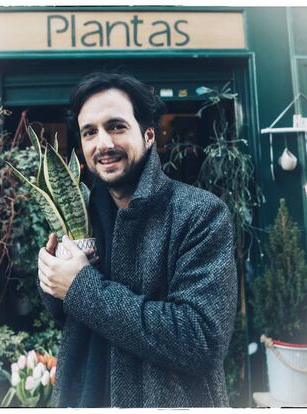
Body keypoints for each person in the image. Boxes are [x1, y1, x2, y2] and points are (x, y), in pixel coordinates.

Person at [37, 72, 237, 408]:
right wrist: (50, 281)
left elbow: (200, 340)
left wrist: (79, 287)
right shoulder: (81, 215)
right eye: (90, 132)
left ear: (147, 135)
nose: (103, 143)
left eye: (116, 126)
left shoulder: (199, 213)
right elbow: (70, 318)